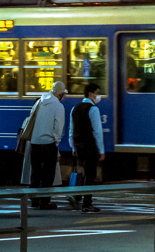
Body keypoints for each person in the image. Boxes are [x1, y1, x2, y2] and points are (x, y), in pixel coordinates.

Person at [29, 81, 68, 209]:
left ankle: (34, 200)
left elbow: (31, 118)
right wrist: (56, 146)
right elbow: (58, 128)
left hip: (34, 142)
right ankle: (44, 202)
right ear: (61, 94)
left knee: (35, 172)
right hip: (48, 142)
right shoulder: (58, 106)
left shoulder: (40, 101)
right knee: (47, 174)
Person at [69, 82, 105, 213]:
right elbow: (97, 132)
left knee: (84, 173)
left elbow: (71, 131)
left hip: (78, 146)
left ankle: (78, 197)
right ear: (91, 93)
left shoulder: (75, 108)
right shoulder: (93, 109)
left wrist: (73, 147)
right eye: (98, 92)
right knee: (90, 175)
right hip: (90, 146)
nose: (98, 95)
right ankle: (87, 204)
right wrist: (101, 150)